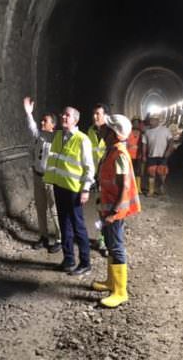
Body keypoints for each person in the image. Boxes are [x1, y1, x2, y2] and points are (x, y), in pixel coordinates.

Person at [92, 114, 141, 308]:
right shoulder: (111, 150)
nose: (101, 130)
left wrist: (113, 212)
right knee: (111, 245)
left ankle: (120, 292)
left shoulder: (119, 154)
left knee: (117, 247)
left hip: (115, 210)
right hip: (108, 206)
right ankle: (111, 282)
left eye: (105, 128)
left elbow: (124, 186)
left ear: (113, 133)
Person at [44, 106, 95, 275]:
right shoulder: (58, 136)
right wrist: (29, 114)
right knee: (64, 225)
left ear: (75, 120)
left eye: (67, 115)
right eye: (62, 114)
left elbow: (89, 167)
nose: (64, 117)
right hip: (59, 187)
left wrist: (86, 189)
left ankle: (85, 262)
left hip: (74, 190)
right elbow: (38, 135)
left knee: (78, 226)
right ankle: (68, 259)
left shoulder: (82, 139)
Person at [23, 97, 62, 253]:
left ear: (53, 125)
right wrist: (28, 114)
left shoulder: (56, 139)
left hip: (50, 179)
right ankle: (43, 236)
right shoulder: (40, 137)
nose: (42, 123)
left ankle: (59, 239)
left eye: (45, 121)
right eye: (42, 121)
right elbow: (32, 129)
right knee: (40, 209)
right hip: (38, 176)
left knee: (54, 210)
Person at [87, 103, 109, 256]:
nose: (95, 117)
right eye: (94, 113)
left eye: (98, 114)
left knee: (110, 210)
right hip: (97, 176)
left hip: (109, 178)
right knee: (100, 209)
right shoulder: (90, 131)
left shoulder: (112, 132)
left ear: (106, 115)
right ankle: (103, 239)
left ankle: (110, 240)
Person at [142, 114, 174, 196]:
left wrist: (169, 150)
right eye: (150, 119)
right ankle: (151, 190)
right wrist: (144, 155)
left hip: (163, 155)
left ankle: (161, 187)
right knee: (151, 172)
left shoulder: (165, 130)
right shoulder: (147, 132)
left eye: (153, 119)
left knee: (162, 172)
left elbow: (171, 141)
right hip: (151, 155)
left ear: (157, 121)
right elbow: (144, 144)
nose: (151, 121)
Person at [127, 116, 143, 194]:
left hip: (138, 156)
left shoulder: (142, 133)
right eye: (134, 122)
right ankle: (130, 187)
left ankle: (138, 188)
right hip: (129, 155)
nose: (136, 124)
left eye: (137, 122)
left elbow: (144, 145)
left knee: (138, 172)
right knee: (129, 172)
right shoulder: (128, 132)